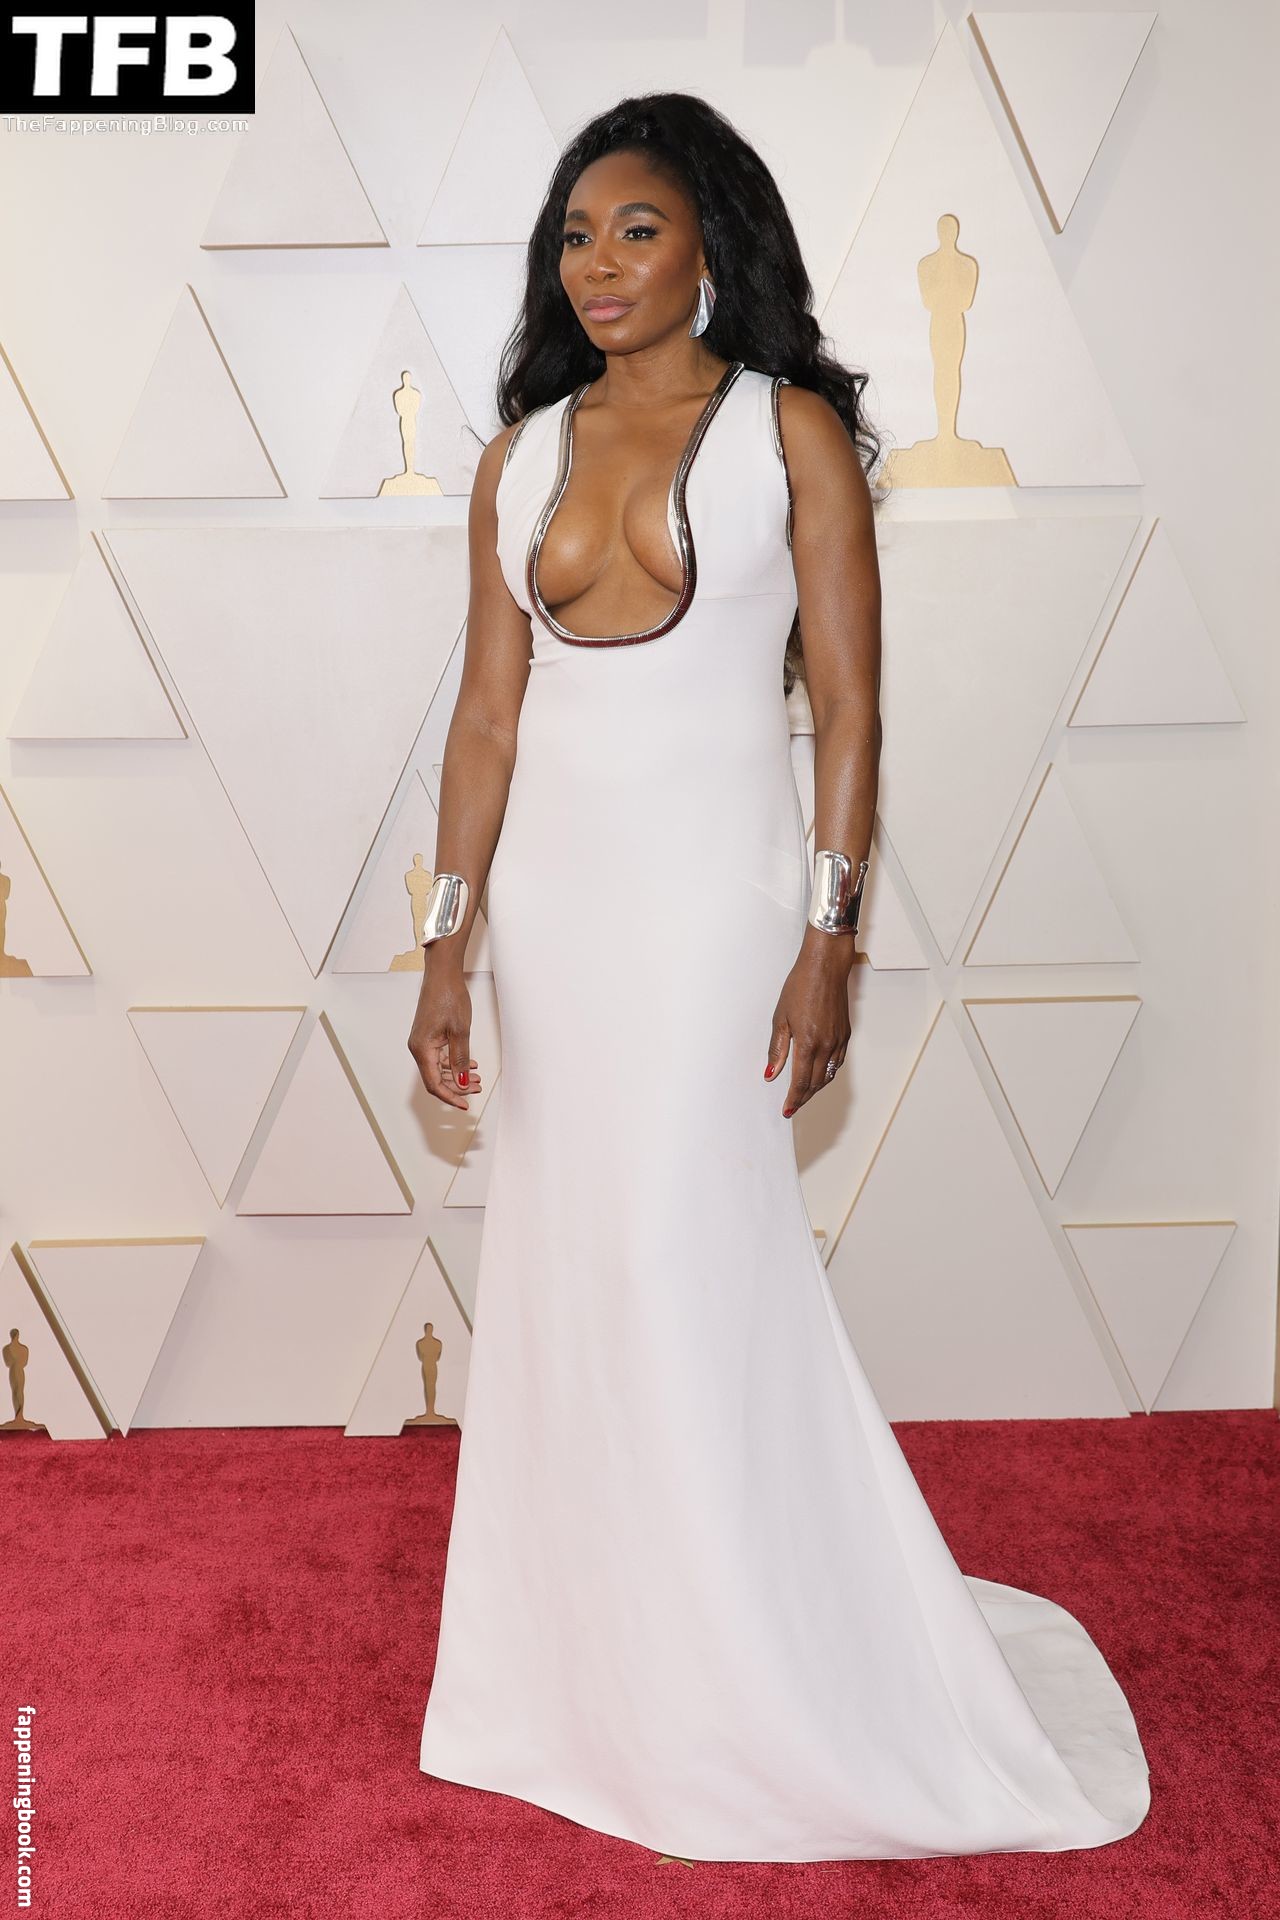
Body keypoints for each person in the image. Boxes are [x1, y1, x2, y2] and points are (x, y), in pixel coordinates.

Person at [407, 91, 1150, 1862]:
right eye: (577, 235)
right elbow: (489, 718)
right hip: (559, 927)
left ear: (711, 247)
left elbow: (855, 711)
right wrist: (447, 942)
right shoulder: (519, 458)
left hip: (713, 920)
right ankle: (575, 1667)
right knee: (576, 1264)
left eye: (638, 230)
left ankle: (749, 1663)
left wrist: (832, 937)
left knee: (688, 1255)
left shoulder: (788, 433)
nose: (599, 265)